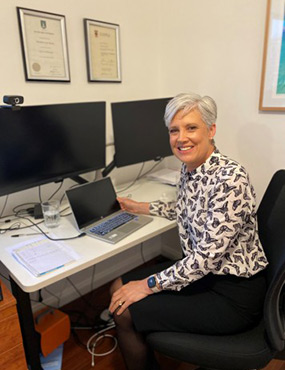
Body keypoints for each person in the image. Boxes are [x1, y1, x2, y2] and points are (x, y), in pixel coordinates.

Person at [108, 92, 268, 370]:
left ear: (211, 129)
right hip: (202, 275)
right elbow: (185, 209)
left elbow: (206, 258)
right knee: (118, 287)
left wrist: (147, 286)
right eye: (174, 130)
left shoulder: (230, 179)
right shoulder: (192, 167)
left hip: (231, 294)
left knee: (125, 310)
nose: (181, 138)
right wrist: (140, 206)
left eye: (191, 127)